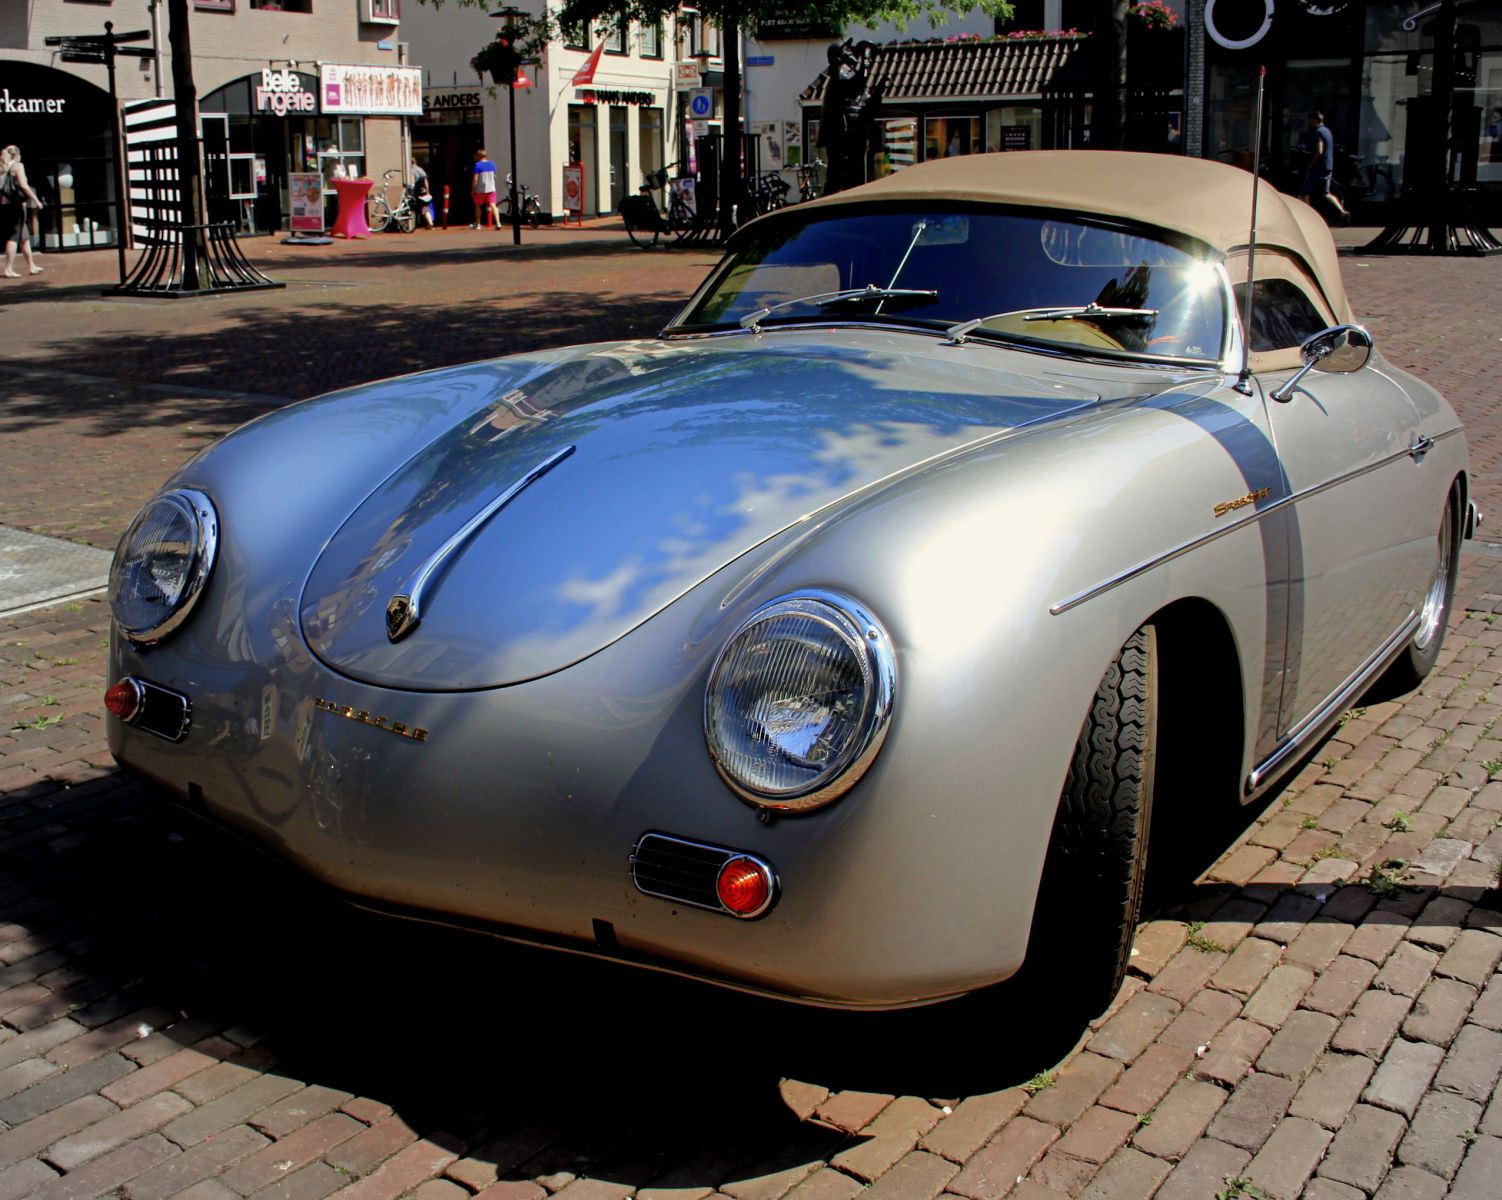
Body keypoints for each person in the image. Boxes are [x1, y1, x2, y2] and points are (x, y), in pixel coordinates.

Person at [1298, 111, 1349, 224]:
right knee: (1326, 193)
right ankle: (1342, 211)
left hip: (1317, 167)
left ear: (1314, 120)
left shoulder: (1318, 132)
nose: (1308, 122)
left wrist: (1311, 163)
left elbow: (1319, 150)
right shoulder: (1328, 131)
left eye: (1310, 119)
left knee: (1304, 192)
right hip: (1328, 166)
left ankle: (1307, 216)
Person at [0, 145, 43, 278]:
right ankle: (8, 269)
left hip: (6, 206)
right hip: (17, 207)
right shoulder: (18, 166)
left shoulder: (3, 168)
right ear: (17, 155)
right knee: (13, 237)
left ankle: (31, 266)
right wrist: (36, 200)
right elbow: (24, 185)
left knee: (24, 238)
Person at [470, 148, 498, 229]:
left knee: (478, 205)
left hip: (480, 190)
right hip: (491, 189)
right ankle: (498, 223)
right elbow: (495, 176)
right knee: (493, 205)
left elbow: (475, 179)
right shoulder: (493, 164)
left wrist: (473, 189)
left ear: (479, 156)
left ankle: (478, 224)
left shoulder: (477, 165)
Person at [410, 159, 434, 228]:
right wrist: (428, 192)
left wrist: (412, 191)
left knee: (413, 207)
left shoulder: (411, 171)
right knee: (425, 207)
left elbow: (413, 182)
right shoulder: (421, 170)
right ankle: (430, 222)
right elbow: (426, 182)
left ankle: (414, 224)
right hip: (423, 191)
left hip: (416, 192)